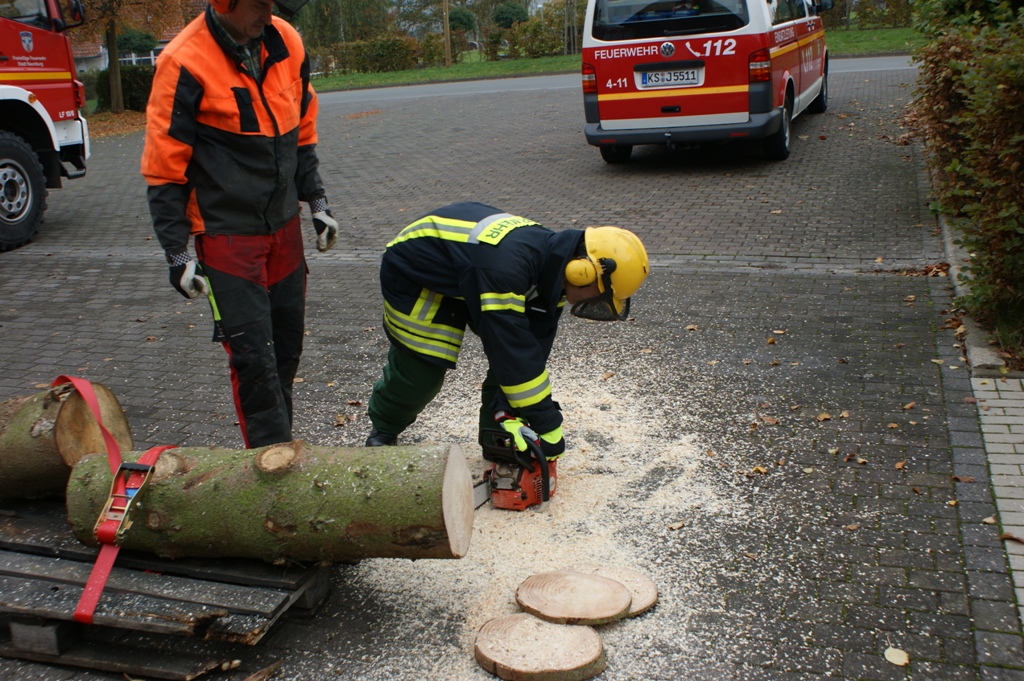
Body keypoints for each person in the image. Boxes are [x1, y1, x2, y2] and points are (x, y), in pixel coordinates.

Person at [141, 0, 338, 448]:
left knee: (285, 351)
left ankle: (281, 449)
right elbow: (164, 169)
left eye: (273, 4)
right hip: (227, 236)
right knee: (254, 361)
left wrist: (317, 200)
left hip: (284, 228)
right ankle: (268, 465)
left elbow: (301, 132)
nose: (268, 15)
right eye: (258, 4)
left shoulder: (286, 41)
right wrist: (177, 254)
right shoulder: (183, 61)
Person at [364, 202, 649, 505]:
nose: (596, 304)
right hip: (418, 273)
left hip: (473, 270)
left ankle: (495, 439)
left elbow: (530, 350)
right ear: (582, 273)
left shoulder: (553, 270)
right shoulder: (507, 269)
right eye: (601, 295)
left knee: (514, 366)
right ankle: (385, 427)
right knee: (422, 371)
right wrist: (548, 424)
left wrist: (509, 413)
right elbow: (510, 350)